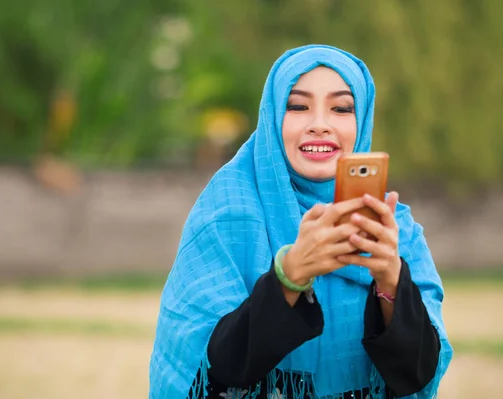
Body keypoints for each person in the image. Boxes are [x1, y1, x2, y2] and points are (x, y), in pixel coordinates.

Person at [149, 44, 453, 399]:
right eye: (297, 106)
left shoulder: (395, 231)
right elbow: (211, 368)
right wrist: (288, 276)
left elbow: (417, 375)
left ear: (363, 121)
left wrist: (390, 281)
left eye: (341, 108)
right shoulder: (226, 213)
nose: (320, 125)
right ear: (273, 116)